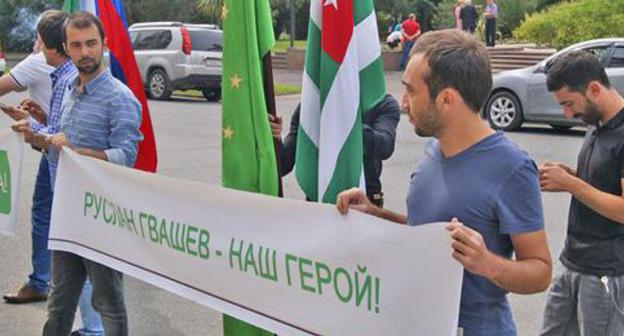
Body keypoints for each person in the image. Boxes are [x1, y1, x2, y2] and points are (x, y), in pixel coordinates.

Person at [336, 29, 552, 336]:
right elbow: (426, 232)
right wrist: (374, 213)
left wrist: (486, 262)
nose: (403, 104)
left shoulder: (513, 168)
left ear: (447, 99)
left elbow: (540, 271)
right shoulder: (433, 149)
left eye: (411, 91)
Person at [14, 11, 142, 336]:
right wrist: (36, 132)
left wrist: (71, 148)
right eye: (76, 45)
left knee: (108, 302)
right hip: (67, 212)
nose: (85, 52)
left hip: (102, 215)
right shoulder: (70, 90)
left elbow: (125, 157)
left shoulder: (120, 98)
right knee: (59, 302)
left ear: (104, 45)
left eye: (91, 44)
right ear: (66, 49)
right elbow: (58, 140)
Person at [9, 10, 106, 336]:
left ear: (53, 48)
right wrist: (39, 124)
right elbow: (63, 128)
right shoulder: (64, 77)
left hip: (72, 173)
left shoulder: (69, 79)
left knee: (79, 250)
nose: (35, 47)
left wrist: (39, 132)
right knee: (69, 249)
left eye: (38, 41)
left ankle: (93, 328)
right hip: (62, 167)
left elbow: (73, 138)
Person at [539, 50, 624, 336]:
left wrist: (572, 184)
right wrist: (574, 177)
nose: (566, 113)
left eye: (569, 103)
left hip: (607, 271)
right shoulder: (597, 124)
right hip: (573, 261)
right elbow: (605, 183)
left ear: (594, 89)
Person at [269, 94, 400, 207]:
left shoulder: (382, 102)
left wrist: (344, 123)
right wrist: (274, 139)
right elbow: (284, 165)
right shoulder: (312, 103)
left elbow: (385, 146)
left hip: (364, 204)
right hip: (319, 204)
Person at [0, 40, 54, 306]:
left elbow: (4, 85)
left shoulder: (37, 61)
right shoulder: (65, 67)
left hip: (55, 150)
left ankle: (42, 282)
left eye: (38, 38)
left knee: (44, 217)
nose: (34, 44)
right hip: (55, 146)